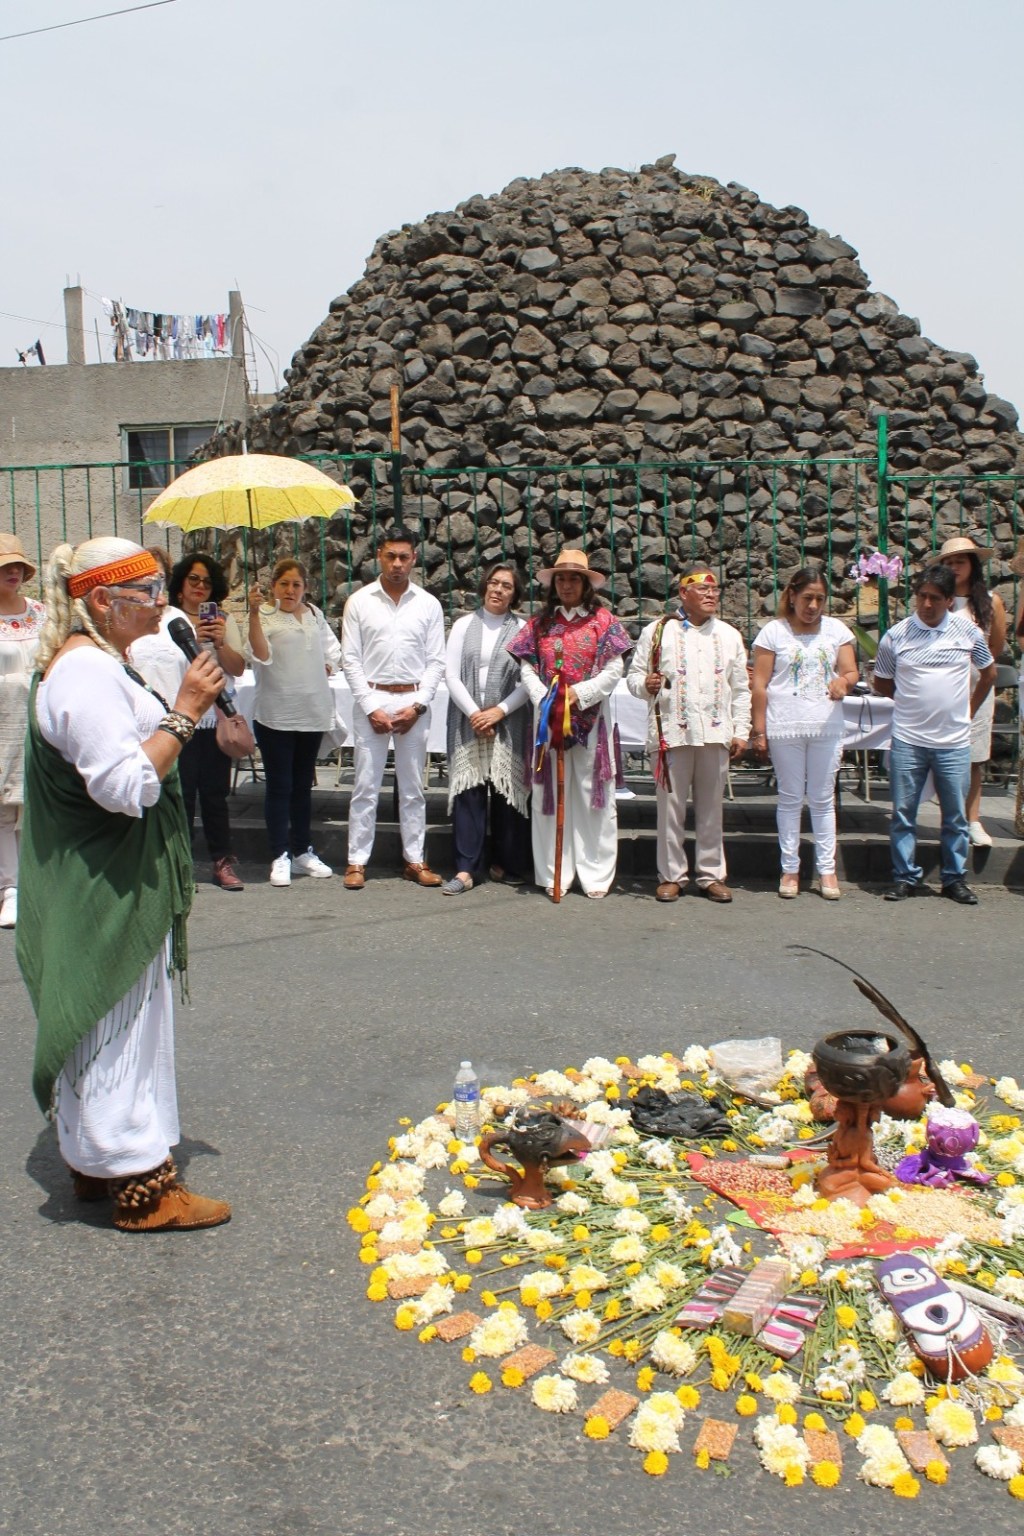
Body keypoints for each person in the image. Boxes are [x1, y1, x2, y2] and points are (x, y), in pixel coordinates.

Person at [18, 536, 231, 1231]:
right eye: (149, 592)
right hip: (105, 881)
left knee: (104, 1024)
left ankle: (93, 1159)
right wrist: (188, 709)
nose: (163, 603)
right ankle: (141, 1186)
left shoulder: (101, 662)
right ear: (104, 601)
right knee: (119, 1027)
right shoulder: (84, 673)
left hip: (110, 872)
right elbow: (122, 786)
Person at [508, 547, 632, 899]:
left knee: (593, 795)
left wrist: (579, 694)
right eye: (560, 578)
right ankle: (554, 871)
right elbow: (527, 667)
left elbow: (614, 669)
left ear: (585, 584)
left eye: (573, 579)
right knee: (548, 794)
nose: (566, 585)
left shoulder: (603, 622)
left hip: (591, 720)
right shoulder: (539, 624)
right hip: (549, 720)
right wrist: (544, 699)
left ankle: (595, 874)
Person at [872, 563, 996, 904]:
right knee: (903, 814)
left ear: (949, 601)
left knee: (955, 816)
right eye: (922, 596)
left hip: (953, 742)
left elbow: (988, 673)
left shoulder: (968, 632)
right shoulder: (896, 635)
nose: (927, 604)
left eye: (935, 598)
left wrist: (968, 708)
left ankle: (954, 879)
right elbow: (882, 681)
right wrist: (911, 702)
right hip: (908, 739)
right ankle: (904, 877)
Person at [627, 566, 751, 902]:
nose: (711, 595)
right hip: (671, 732)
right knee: (671, 809)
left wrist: (741, 730)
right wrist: (646, 684)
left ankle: (711, 875)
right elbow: (634, 677)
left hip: (715, 732)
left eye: (715, 589)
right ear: (683, 593)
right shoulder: (658, 631)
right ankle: (671, 875)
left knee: (712, 808)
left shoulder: (728, 635)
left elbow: (740, 688)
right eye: (703, 589)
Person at [131, 552, 246, 891]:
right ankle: (180, 863)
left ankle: (222, 860)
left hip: (205, 719)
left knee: (214, 794)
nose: (200, 586)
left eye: (207, 581)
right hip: (165, 720)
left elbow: (235, 667)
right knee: (180, 796)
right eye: (193, 579)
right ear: (180, 584)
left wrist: (216, 642)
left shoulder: (199, 620)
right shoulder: (148, 619)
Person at [340, 526, 446, 889]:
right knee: (365, 785)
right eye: (390, 556)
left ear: (414, 558)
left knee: (413, 786)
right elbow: (350, 660)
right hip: (372, 697)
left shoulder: (428, 604)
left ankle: (414, 860)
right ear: (379, 557)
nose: (397, 564)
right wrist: (371, 707)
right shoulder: (359, 602)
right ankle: (356, 862)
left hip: (412, 700)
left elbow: (436, 661)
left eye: (403, 557)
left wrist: (418, 706)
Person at [750, 566, 860, 899]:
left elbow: (851, 671)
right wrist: (759, 730)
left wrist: (843, 682)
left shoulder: (836, 630)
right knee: (790, 798)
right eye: (807, 598)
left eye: (820, 599)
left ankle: (827, 870)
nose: (813, 606)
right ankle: (790, 869)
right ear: (792, 596)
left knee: (823, 799)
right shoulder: (773, 632)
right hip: (786, 725)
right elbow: (760, 683)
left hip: (825, 726)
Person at [246, 557, 341, 886]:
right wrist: (254, 614)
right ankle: (280, 854)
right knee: (279, 786)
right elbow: (260, 655)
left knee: (302, 787)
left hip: (311, 714)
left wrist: (327, 664)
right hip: (276, 715)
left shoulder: (314, 614)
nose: (290, 590)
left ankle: (302, 851)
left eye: (296, 585)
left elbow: (333, 650)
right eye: (284, 584)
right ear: (273, 586)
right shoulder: (265, 615)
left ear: (305, 588)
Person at [442, 562, 531, 894]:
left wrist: (498, 712)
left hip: (509, 720)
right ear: (484, 587)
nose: (498, 590)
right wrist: (475, 714)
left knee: (507, 795)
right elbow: (451, 675)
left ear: (514, 594)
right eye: (494, 583)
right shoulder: (463, 626)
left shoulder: (523, 628)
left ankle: (505, 863)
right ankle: (466, 868)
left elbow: (528, 681)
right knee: (470, 792)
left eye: (507, 586)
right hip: (468, 720)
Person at [937, 535, 1007, 848]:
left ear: (973, 565)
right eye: (949, 562)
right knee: (940, 755)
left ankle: (973, 819)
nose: (954, 567)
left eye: (960, 561)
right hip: (941, 689)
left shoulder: (991, 602)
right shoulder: (938, 599)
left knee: (973, 757)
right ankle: (949, 819)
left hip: (977, 688)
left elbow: (995, 647)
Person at [0, 534, 46, 929]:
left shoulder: (41, 612)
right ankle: (10, 888)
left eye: (18, 565)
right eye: (4, 566)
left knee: (34, 801)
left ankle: (33, 881)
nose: (13, 571)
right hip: (2, 724)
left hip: (37, 719)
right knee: (3, 806)